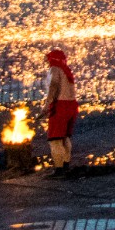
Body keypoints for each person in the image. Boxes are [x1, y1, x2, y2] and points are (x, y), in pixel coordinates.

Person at [44, 48, 79, 176]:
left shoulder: (55, 69)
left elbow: (53, 85)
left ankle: (58, 170)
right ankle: (66, 164)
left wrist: (47, 104)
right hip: (72, 106)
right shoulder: (66, 70)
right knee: (65, 137)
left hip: (60, 106)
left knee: (55, 139)